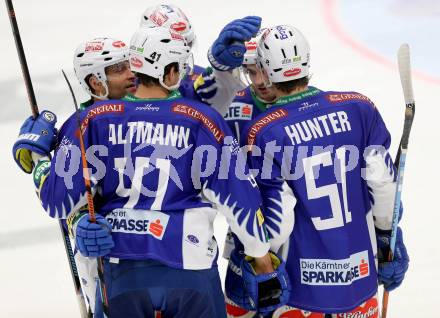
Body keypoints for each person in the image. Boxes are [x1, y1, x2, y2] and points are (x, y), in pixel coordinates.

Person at [13, 25, 290, 317]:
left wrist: (37, 157)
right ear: (170, 72)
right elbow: (241, 199)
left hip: (121, 274)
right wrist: (261, 258)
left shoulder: (91, 120)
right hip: (191, 268)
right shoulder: (202, 120)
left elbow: (57, 201)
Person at [226, 24, 410, 317]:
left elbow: (279, 216)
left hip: (299, 291)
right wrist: (387, 237)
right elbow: (383, 182)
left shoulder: (264, 131)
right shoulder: (359, 107)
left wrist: (259, 258)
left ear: (266, 68)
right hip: (358, 281)